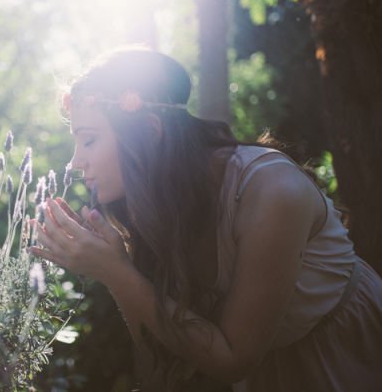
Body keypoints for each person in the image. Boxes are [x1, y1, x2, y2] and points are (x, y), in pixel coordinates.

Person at [29, 47, 382, 391]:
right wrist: (114, 268)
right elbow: (165, 351)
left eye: (88, 140)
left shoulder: (273, 191)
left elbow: (233, 359)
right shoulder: (154, 206)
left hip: (348, 356)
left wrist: (117, 273)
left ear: (151, 132)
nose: (74, 162)